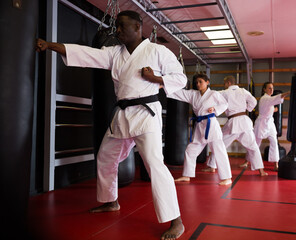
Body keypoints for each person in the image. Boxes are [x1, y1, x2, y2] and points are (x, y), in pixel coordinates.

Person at [36, 10, 186, 240]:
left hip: (146, 115)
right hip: (122, 115)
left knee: (154, 164)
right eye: (116, 27)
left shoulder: (157, 51)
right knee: (105, 156)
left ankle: (176, 220)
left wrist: (156, 79)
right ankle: (111, 201)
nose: (117, 31)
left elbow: (180, 77)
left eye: (122, 26)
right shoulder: (114, 53)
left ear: (138, 27)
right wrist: (50, 45)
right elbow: (86, 54)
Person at [168, 73, 232, 185]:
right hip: (199, 126)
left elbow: (225, 104)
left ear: (207, 82)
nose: (198, 84)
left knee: (219, 150)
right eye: (196, 82)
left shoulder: (213, 94)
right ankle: (186, 175)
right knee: (190, 150)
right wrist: (164, 86)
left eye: (200, 82)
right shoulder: (193, 94)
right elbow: (179, 94)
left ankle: (227, 178)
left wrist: (215, 109)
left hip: (211, 125)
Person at [203, 76, 268, 176]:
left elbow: (213, 95)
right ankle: (261, 170)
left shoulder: (225, 92)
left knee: (219, 143)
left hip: (233, 123)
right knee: (253, 146)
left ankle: (212, 166)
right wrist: (248, 108)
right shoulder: (243, 91)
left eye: (225, 83)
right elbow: (254, 101)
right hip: (244, 122)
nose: (224, 85)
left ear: (228, 83)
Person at [253, 82, 289, 171]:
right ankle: (248, 161)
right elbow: (275, 99)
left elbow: (269, 107)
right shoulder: (264, 98)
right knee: (256, 144)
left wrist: (274, 109)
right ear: (264, 89)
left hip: (270, 123)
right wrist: (287, 93)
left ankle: (276, 164)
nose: (271, 90)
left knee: (274, 142)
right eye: (269, 88)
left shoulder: (269, 99)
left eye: (272, 88)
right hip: (261, 123)